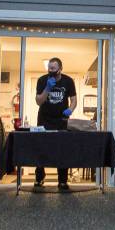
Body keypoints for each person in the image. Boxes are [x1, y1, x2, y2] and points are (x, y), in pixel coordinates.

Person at [34, 57, 77, 190]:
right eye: (49, 68)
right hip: (44, 119)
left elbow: (74, 99)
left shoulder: (68, 81)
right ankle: (39, 178)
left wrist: (70, 109)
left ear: (60, 69)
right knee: (42, 148)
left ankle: (62, 181)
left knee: (62, 148)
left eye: (53, 68)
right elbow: (38, 102)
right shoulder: (42, 80)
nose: (51, 70)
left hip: (61, 120)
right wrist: (47, 88)